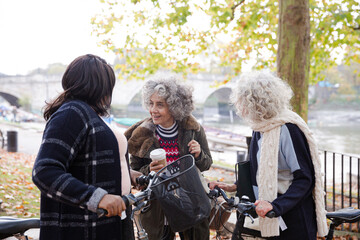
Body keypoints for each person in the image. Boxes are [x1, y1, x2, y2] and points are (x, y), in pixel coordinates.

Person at [32, 54, 140, 240]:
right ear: (99, 86)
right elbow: (45, 171)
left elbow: (88, 163)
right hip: (83, 229)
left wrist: (129, 176)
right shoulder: (71, 114)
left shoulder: (89, 114)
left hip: (111, 223)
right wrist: (98, 198)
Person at [210, 70, 328, 239]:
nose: (240, 109)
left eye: (243, 103)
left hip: (292, 214)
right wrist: (233, 186)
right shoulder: (260, 127)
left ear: (256, 104)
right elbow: (258, 168)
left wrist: (276, 206)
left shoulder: (288, 129)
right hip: (268, 210)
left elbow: (305, 178)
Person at [124, 74, 213, 240]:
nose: (153, 110)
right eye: (151, 103)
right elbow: (133, 172)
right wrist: (148, 170)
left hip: (190, 201)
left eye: (160, 105)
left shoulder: (193, 129)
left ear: (174, 106)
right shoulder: (140, 134)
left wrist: (199, 154)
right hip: (157, 207)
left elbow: (206, 164)